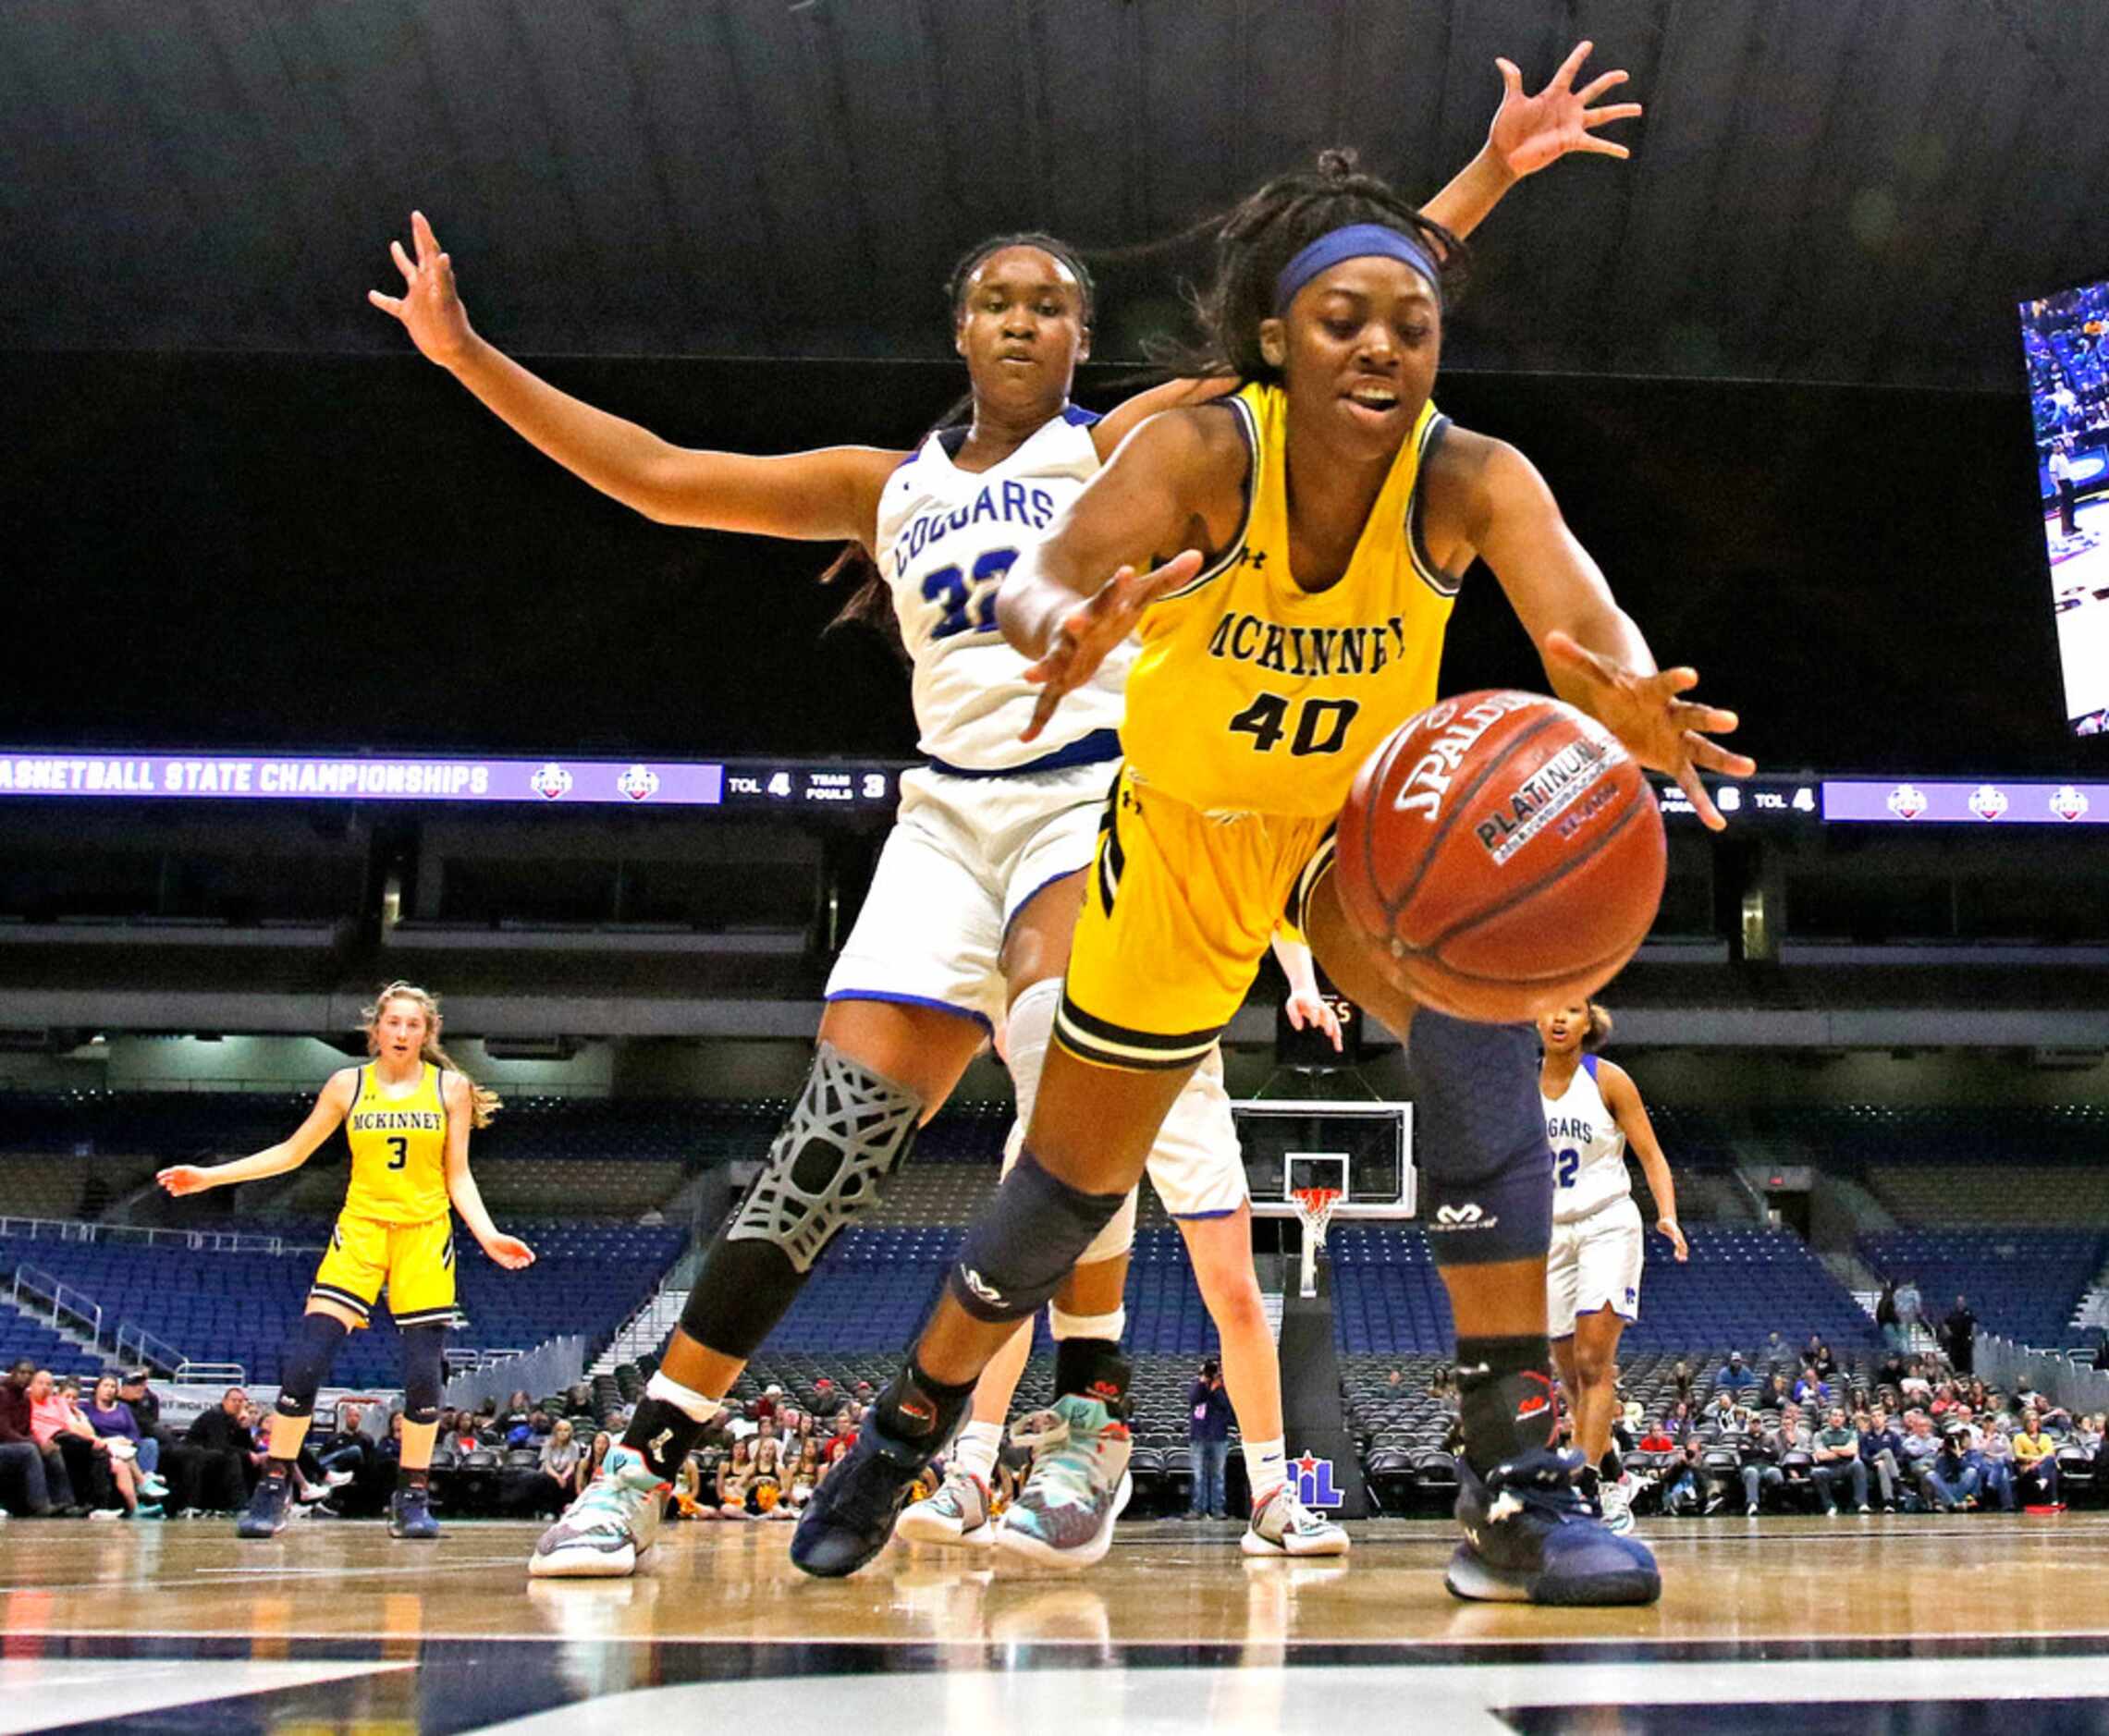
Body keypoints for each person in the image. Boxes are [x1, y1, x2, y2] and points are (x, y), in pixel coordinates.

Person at [406, 45, 1648, 1583]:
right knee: (835, 1141)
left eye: (1051, 301)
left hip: (1101, 799)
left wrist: (1494, 168)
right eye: (995, 297)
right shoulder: (882, 481)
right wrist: (468, 361)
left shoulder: (1146, 438)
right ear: (959, 328)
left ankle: (1086, 1419)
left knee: (1083, 1074)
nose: (1021, 316)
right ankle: (650, 1449)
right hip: (945, 819)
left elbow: (1360, 313)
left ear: (1080, 339)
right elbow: (664, 474)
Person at [794, 141, 1746, 1605]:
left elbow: (1578, 620)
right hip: (1172, 847)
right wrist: (1063, 613)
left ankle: (1515, 1484)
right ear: (1274, 340)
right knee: (1062, 1186)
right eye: (1344, 320)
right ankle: (908, 1422)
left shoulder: (1472, 476)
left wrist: (1620, 687)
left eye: (1412, 326)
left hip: (1347, 844)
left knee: (1478, 1006)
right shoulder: (1197, 452)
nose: (1381, 345)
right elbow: (1063, 563)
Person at [157, 982, 533, 1541]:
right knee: (305, 1361)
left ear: (427, 1034)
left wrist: (487, 1234)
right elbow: (292, 1153)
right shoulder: (346, 1085)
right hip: (359, 1233)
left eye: (413, 1025)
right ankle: (275, 1487)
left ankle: (411, 1498)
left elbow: (459, 1175)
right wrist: (210, 1176)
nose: (402, 1033)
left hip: (424, 1235)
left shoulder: (449, 1088)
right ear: (375, 1030)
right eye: (393, 1023)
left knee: (424, 1377)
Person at [1538, 998, 1686, 1534]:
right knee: (1570, 1373)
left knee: (1594, 1360)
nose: (1558, 1018)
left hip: (1606, 1224)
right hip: (1550, 1233)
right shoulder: (1519, 1088)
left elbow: (1650, 1154)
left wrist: (1666, 1214)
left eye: (1572, 1011)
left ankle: (1589, 1485)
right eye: (1550, 1010)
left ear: (1588, 1024)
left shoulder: (1608, 1080)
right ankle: (1612, 1464)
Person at [82, 1373, 169, 1513]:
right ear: (97, 1388)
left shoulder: (123, 1408)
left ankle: (148, 1476)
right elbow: (88, 1433)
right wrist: (112, 1441)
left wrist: (129, 1441)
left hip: (126, 1445)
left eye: (113, 1386)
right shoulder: (86, 1409)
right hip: (105, 1445)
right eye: (106, 1386)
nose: (109, 1389)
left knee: (150, 1443)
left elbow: (133, 1431)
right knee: (123, 1454)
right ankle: (143, 1485)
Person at [26, 1371, 107, 1517]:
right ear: (31, 1385)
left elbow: (70, 1424)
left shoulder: (58, 1402)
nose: (45, 1387)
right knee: (77, 1446)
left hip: (65, 1434)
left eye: (49, 1384)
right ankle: (68, 1503)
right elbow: (28, 1427)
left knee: (98, 1451)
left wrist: (93, 1439)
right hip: (45, 1437)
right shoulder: (26, 1402)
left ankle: (98, 1506)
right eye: (41, 1383)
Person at [181, 1387, 264, 1514]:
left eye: (241, 1401)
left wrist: (244, 1428)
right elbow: (219, 1444)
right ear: (224, 1401)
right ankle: (238, 1505)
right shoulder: (215, 1415)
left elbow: (247, 1447)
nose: (237, 1404)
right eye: (234, 1400)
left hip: (216, 1453)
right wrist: (247, 1454)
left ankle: (258, 1501)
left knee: (257, 1460)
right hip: (195, 1454)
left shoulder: (236, 1418)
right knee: (234, 1458)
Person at [1185, 1358, 1235, 1521]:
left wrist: (1216, 1389)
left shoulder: (1222, 1390)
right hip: (1198, 1437)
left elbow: (1227, 1408)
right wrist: (1203, 1383)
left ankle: (1217, 1509)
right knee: (1198, 1475)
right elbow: (1192, 1399)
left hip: (1218, 1437)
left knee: (1218, 1475)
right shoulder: (1198, 1388)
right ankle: (1197, 1509)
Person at [1810, 1408, 1870, 1515]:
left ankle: (1861, 1503)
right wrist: (1843, 1451)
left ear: (1844, 1419)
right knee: (1816, 1473)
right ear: (1829, 1418)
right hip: (1828, 1468)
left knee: (1858, 1465)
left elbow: (1853, 1451)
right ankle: (1830, 1506)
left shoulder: (1851, 1433)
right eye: (1835, 1415)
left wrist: (1832, 1449)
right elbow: (1821, 1456)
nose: (1837, 1418)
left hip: (1847, 1466)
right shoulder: (1819, 1435)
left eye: (1840, 1416)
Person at [1943, 1297, 1979, 1375]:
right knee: (1954, 1361)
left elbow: (1974, 1324)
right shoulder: (1952, 1313)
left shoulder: (1969, 1313)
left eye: (1962, 1301)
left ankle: (1967, 1375)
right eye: (1959, 1301)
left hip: (1966, 1341)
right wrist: (1948, 1333)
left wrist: (1973, 1336)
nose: (1960, 1303)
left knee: (1967, 1361)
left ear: (1964, 1302)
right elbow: (1945, 1324)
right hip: (1954, 1342)